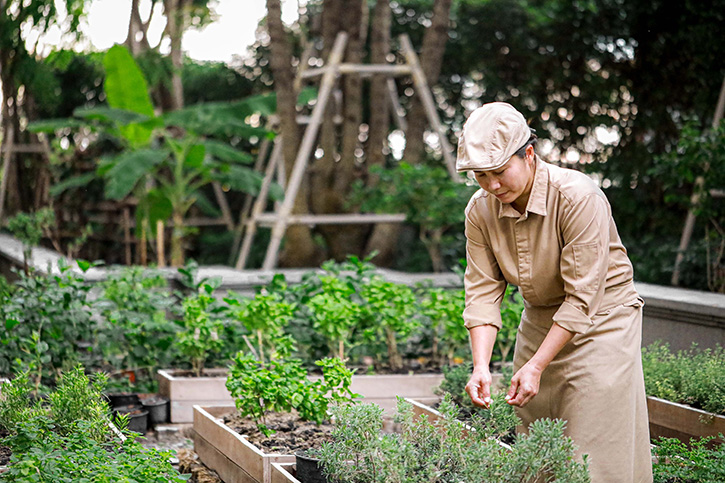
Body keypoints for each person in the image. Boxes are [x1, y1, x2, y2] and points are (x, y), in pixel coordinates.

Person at [458, 102, 652, 482]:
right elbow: (482, 292)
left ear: (528, 155)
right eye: (481, 175)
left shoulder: (578, 197)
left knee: (593, 445)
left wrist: (536, 366)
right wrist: (480, 366)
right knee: (538, 445)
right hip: (539, 320)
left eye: (499, 172)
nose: (492, 185)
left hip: (602, 321)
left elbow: (583, 298)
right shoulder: (480, 210)